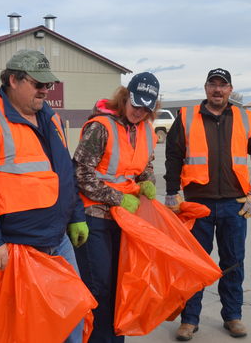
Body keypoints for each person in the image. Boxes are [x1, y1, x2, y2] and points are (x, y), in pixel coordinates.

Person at [0, 49, 89, 343]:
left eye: (48, 85)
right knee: (23, 329)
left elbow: (64, 173)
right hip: (14, 246)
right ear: (13, 80)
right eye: (38, 84)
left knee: (71, 316)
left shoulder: (49, 118)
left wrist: (76, 216)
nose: (44, 91)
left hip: (56, 240)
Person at [164, 68, 251, 341]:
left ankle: (233, 316)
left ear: (230, 90)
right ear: (205, 88)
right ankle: (189, 320)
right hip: (197, 204)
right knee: (194, 264)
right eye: (213, 84)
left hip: (234, 205)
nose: (218, 90)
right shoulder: (187, 117)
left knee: (233, 262)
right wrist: (172, 191)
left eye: (223, 86)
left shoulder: (244, 118)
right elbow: (173, 156)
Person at [72, 72, 159, 343]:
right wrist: (118, 198)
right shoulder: (100, 127)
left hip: (126, 219)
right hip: (94, 216)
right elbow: (81, 174)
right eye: (135, 105)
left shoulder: (146, 129)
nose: (139, 112)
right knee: (100, 286)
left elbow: (145, 166)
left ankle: (114, 339)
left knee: (123, 286)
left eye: (147, 108)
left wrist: (147, 181)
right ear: (124, 97)